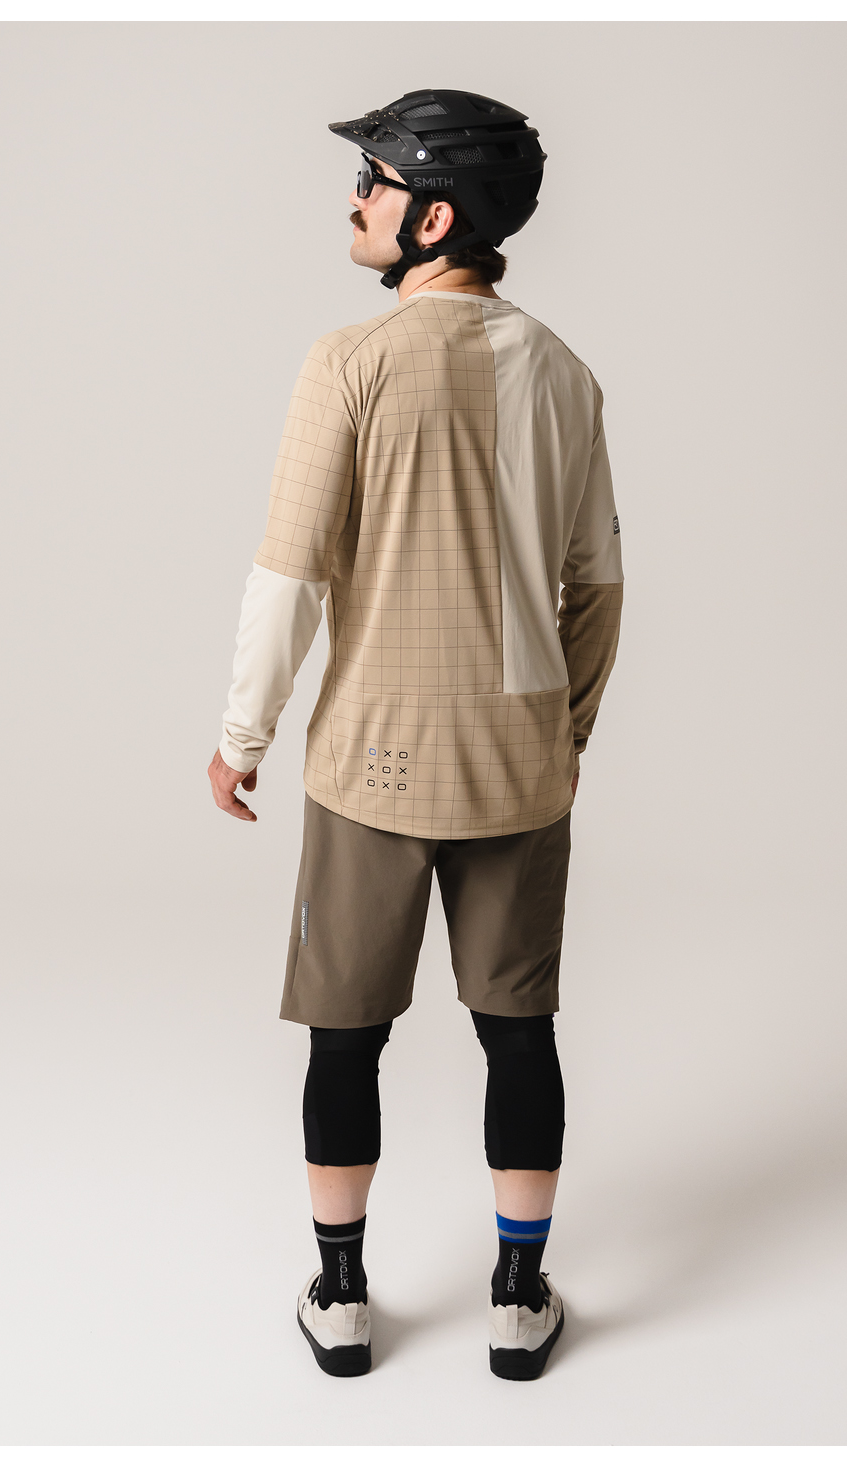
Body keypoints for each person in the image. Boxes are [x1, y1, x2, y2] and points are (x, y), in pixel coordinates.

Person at [206, 89, 623, 1381]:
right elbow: (599, 587)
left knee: (346, 1037)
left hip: (370, 764)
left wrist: (243, 735)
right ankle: (518, 1294)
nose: (356, 200)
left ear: (433, 219)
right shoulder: (566, 374)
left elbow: (290, 573)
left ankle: (340, 1295)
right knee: (520, 1033)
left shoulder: (348, 362)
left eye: (375, 182)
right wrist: (560, 732)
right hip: (519, 768)